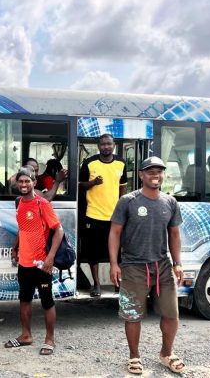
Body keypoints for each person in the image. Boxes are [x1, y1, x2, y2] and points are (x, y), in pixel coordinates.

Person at [108, 156, 186, 375]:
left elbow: (174, 234)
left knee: (171, 313)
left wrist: (178, 263)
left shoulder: (170, 202)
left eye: (159, 171)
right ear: (141, 175)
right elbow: (115, 232)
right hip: (133, 266)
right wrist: (114, 264)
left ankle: (167, 353)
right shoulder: (128, 201)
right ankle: (134, 356)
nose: (155, 175)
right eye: (150, 172)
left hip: (162, 266)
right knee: (132, 315)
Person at [5, 166, 63, 356]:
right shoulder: (18, 202)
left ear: (34, 183)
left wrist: (50, 258)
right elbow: (23, 229)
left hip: (41, 264)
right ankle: (26, 336)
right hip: (24, 263)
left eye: (27, 181)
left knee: (47, 301)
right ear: (17, 183)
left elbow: (58, 230)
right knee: (24, 300)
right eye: (21, 181)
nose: (24, 184)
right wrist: (15, 247)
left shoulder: (42, 204)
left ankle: (50, 339)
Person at [79, 134, 127, 297]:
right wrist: (93, 183)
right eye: (103, 144)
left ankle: (117, 283)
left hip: (114, 216)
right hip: (93, 214)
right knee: (94, 252)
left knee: (117, 252)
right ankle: (97, 284)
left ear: (114, 145)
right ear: (98, 146)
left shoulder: (121, 162)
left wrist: (122, 207)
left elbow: (123, 186)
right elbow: (80, 185)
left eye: (109, 144)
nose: (106, 147)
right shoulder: (89, 162)